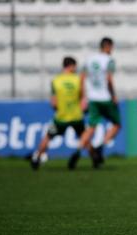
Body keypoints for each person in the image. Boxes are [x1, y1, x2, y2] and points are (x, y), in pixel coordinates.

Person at [69, 37, 121, 169]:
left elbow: (81, 78)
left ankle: (78, 150)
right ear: (108, 46)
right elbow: (109, 79)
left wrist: (83, 97)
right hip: (105, 98)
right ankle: (100, 147)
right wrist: (113, 95)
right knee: (117, 124)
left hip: (92, 99)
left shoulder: (89, 59)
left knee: (91, 127)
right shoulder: (109, 61)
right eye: (111, 48)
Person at [31, 56, 85, 170]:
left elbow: (53, 103)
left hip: (61, 117)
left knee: (48, 137)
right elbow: (82, 97)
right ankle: (95, 159)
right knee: (84, 137)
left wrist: (59, 109)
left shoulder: (55, 81)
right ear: (71, 66)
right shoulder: (78, 79)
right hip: (76, 116)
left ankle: (36, 158)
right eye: (75, 67)